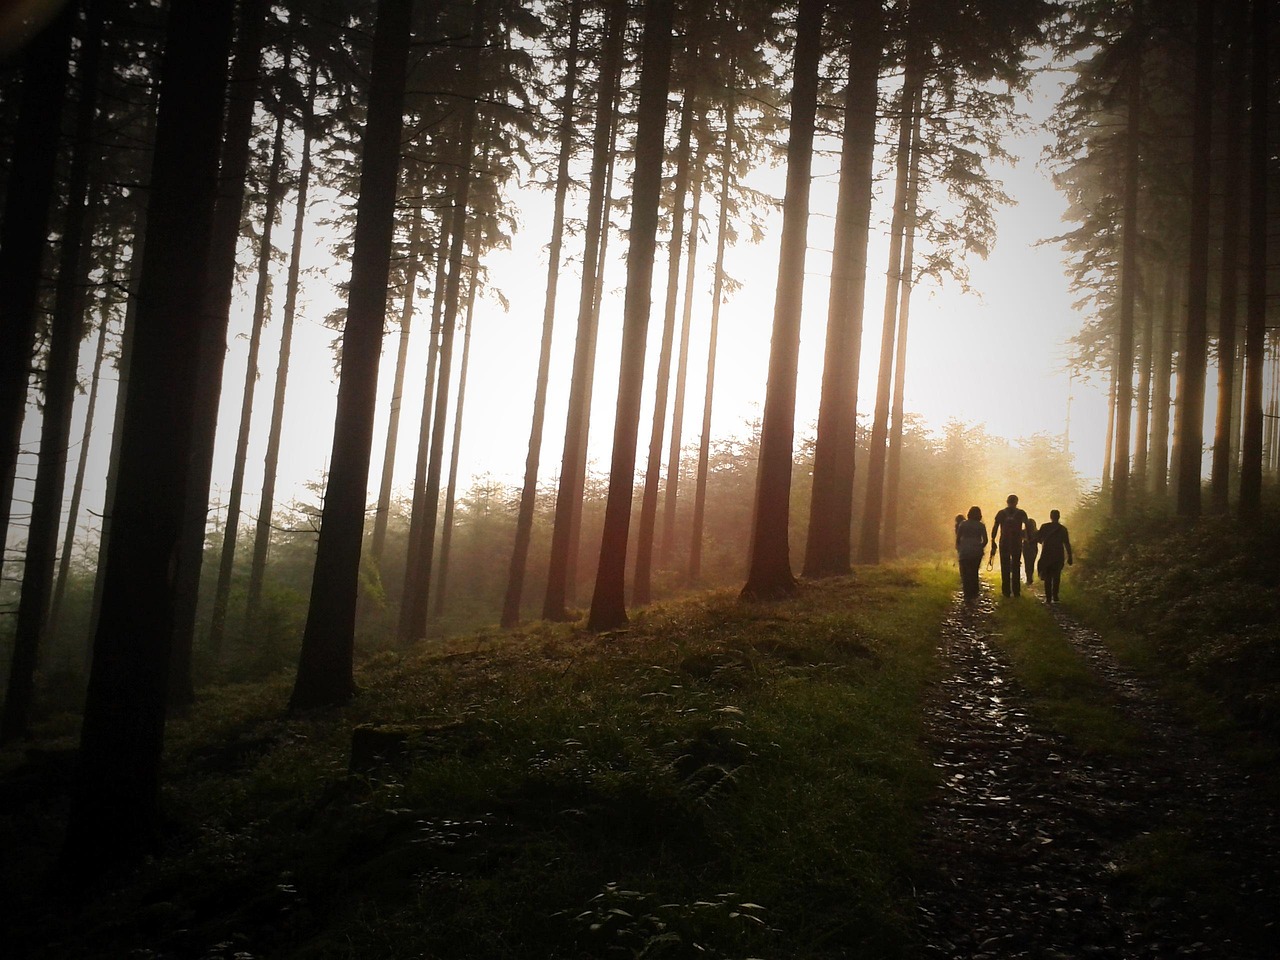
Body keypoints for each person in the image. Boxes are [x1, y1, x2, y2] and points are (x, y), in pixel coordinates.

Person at [989, 494, 1029, 597]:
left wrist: (993, 540)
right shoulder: (1021, 513)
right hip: (1016, 543)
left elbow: (995, 527)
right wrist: (1027, 538)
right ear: (1016, 502)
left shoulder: (1001, 513)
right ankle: (1016, 591)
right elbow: (1028, 526)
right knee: (1016, 566)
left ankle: (1006, 591)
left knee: (1005, 566)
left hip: (1004, 542)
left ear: (1007, 501)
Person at [1036, 508, 1073, 603]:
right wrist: (1070, 556)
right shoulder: (1063, 529)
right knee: (1056, 576)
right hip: (1058, 555)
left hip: (1046, 555)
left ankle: (1048, 598)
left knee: (1047, 576)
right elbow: (1067, 543)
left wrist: (1044, 542)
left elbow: (1038, 538)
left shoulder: (1044, 527)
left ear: (1050, 517)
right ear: (1059, 517)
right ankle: (1055, 596)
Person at [955, 506, 988, 600]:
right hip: (976, 552)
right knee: (974, 572)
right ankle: (974, 592)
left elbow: (958, 538)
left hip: (964, 551)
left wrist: (959, 548)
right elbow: (985, 540)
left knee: (965, 572)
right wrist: (980, 547)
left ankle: (967, 592)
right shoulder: (981, 525)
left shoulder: (963, 524)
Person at [1022, 517, 1039, 585]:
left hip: (1026, 548)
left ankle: (1029, 577)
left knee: (1027, 563)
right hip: (1033, 549)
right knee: (1031, 563)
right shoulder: (1036, 532)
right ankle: (1030, 577)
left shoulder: (1023, 532)